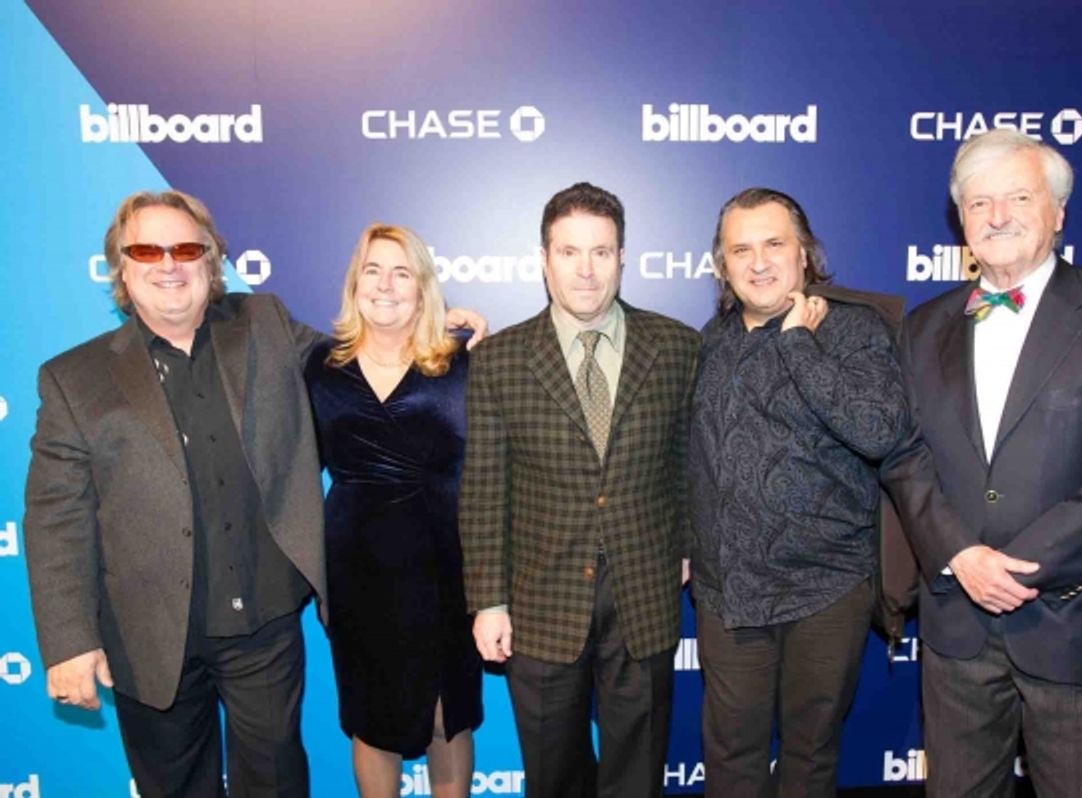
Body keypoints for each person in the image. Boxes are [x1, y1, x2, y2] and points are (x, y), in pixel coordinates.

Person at [22, 189, 484, 798]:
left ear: (211, 261)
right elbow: (56, 518)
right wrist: (71, 641)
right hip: (149, 635)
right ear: (121, 266)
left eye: (186, 248)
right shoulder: (73, 378)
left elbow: (359, 359)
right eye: (147, 249)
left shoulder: (263, 323)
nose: (168, 264)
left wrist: (441, 327)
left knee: (274, 786)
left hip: (263, 629)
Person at [883, 129, 1082, 797]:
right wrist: (961, 555)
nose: (997, 216)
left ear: (1058, 212)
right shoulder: (921, 327)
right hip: (958, 628)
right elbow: (904, 456)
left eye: (1019, 196)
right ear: (959, 220)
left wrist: (1018, 569)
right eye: (979, 202)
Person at [459, 182, 698, 798]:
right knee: (552, 768)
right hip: (539, 596)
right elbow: (484, 488)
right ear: (544, 259)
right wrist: (488, 600)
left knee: (638, 767)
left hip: (645, 591)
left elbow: (691, 462)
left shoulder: (676, 346)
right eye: (569, 252)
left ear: (623, 257)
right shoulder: (500, 359)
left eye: (601, 251)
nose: (586, 270)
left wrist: (688, 545)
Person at [688, 188, 908, 797]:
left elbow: (878, 430)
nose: (759, 262)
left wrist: (796, 342)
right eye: (741, 249)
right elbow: (692, 459)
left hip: (825, 589)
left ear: (805, 252)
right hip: (728, 592)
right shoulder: (711, 342)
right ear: (722, 265)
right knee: (731, 755)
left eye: (774, 244)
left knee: (810, 756)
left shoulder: (855, 329)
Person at [304, 224, 481, 798]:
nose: (385, 285)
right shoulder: (317, 368)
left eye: (402, 272)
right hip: (356, 568)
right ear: (355, 284)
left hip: (445, 563)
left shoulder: (463, 362)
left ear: (423, 287)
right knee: (371, 717)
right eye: (373, 271)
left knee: (444, 714)